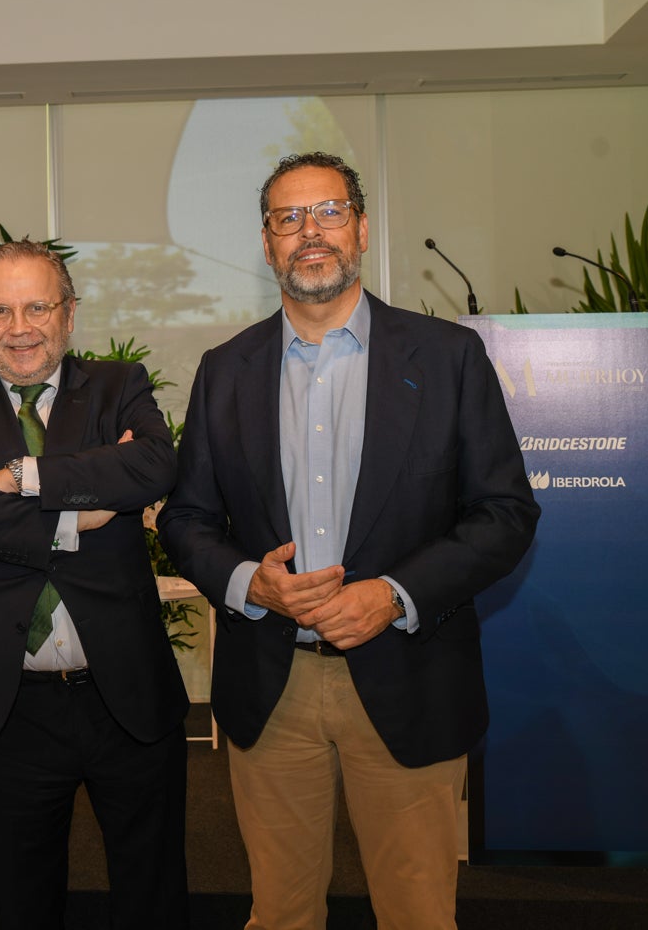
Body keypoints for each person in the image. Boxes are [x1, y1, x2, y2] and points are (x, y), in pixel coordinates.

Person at [158, 152, 539, 930]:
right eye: (287, 218)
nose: (309, 233)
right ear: (266, 245)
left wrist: (392, 594)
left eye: (328, 212)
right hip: (272, 687)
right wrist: (247, 582)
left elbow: (503, 513)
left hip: (410, 674)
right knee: (281, 912)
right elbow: (184, 520)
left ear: (361, 229)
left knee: (417, 912)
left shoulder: (447, 358)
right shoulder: (224, 370)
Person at [0, 240, 190, 930]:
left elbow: (154, 467)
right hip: (6, 706)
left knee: (151, 891)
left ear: (68, 313)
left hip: (123, 691)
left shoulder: (118, 383)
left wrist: (17, 478)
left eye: (37, 306)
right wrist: (79, 512)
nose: (19, 326)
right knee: (23, 898)